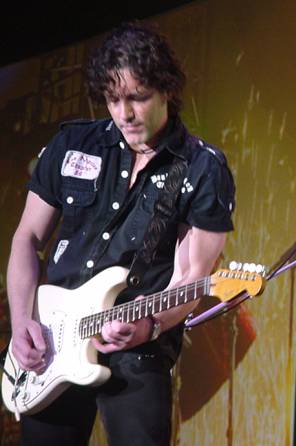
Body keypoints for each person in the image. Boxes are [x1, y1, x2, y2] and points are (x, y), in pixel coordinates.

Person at [6, 21, 235, 445]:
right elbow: (27, 239)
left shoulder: (203, 168)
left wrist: (150, 325)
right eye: (113, 99)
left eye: (138, 98)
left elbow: (190, 280)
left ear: (166, 88)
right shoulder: (74, 144)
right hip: (53, 343)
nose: (124, 114)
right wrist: (22, 322)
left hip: (138, 351)